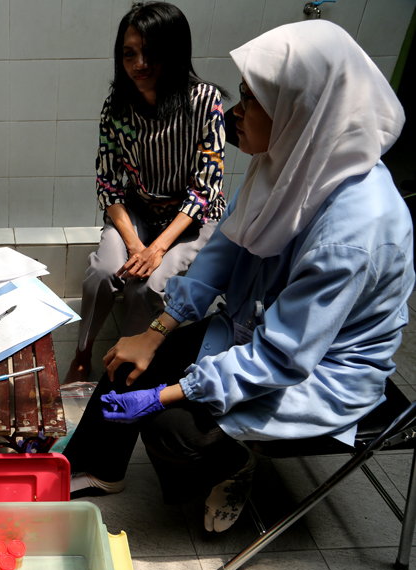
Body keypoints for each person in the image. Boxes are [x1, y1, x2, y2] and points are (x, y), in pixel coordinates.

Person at [64, 20, 413, 533]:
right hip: (258, 328)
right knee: (127, 360)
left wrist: (164, 395)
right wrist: (155, 331)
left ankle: (233, 466)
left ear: (303, 110)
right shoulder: (291, 161)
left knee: (169, 425)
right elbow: (225, 249)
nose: (236, 113)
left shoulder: (354, 231)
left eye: (252, 100)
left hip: (319, 369)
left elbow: (283, 357)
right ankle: (96, 466)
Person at [65, 2, 227, 384]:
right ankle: (83, 350)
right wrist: (136, 244)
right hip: (138, 208)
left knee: (151, 286)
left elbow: (206, 188)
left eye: (149, 52)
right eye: (128, 53)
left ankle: (124, 361)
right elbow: (107, 182)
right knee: (102, 272)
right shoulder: (118, 106)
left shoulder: (204, 101)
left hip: (191, 218)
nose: (138, 64)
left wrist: (157, 249)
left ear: (173, 51)